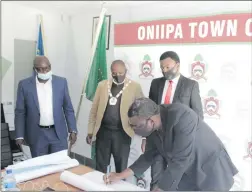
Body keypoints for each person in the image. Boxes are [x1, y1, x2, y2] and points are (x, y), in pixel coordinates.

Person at [103, 98, 238, 191]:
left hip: (211, 169)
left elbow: (180, 159)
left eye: (135, 125)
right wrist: (120, 176)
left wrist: (161, 189)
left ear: (151, 120)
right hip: (187, 173)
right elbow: (148, 157)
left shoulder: (182, 115)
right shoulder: (153, 128)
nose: (133, 129)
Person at [148, 51, 204, 189]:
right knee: (156, 177)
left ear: (177, 65)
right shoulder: (155, 83)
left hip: (179, 141)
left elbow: (198, 115)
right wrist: (146, 139)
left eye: (167, 67)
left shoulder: (191, 85)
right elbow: (149, 112)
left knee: (176, 181)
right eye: (162, 67)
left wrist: (193, 142)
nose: (164, 70)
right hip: (159, 139)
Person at [86, 60, 145, 175]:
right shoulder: (102, 85)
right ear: (111, 72)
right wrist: (90, 131)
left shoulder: (134, 87)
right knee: (100, 167)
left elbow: (142, 110)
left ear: (126, 71)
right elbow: (94, 110)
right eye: (114, 73)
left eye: (121, 73)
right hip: (103, 132)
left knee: (121, 168)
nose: (117, 76)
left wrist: (140, 131)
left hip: (122, 134)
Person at [15, 56, 77, 158]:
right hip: (37, 134)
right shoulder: (24, 85)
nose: (44, 72)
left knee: (59, 165)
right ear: (34, 69)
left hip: (57, 133)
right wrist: (19, 135)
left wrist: (73, 130)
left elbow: (68, 108)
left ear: (50, 67)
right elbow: (20, 112)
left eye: (46, 68)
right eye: (40, 69)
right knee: (40, 168)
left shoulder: (61, 82)